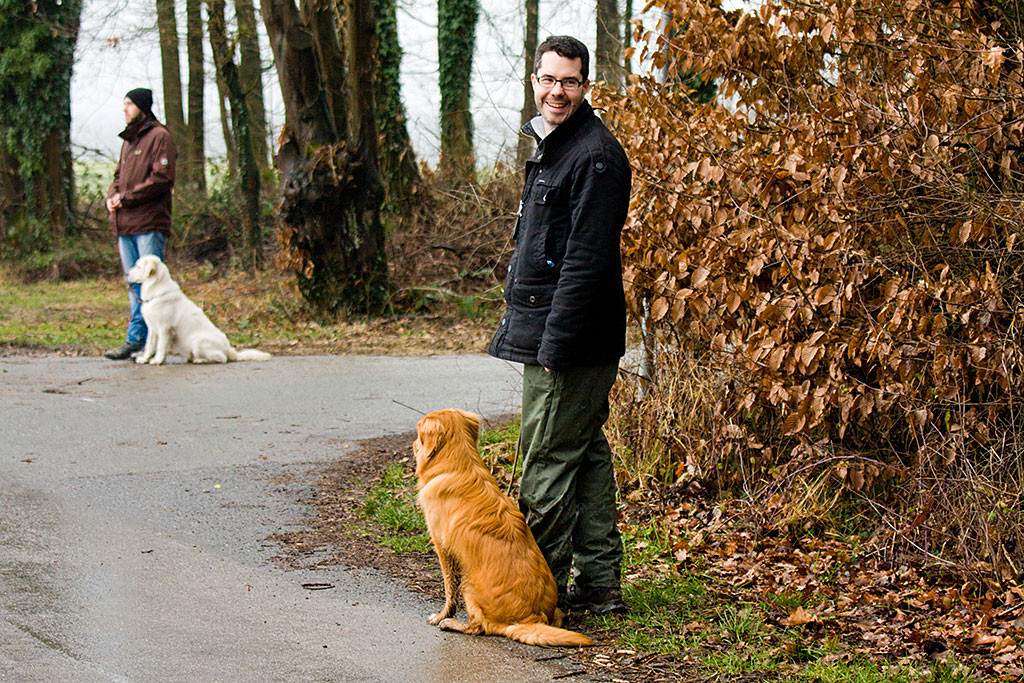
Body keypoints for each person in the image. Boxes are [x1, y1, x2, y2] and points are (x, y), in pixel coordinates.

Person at [488, 35, 631, 615]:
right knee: (584, 452)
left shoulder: (595, 155)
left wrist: (555, 344)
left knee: (545, 459)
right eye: (549, 79)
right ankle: (599, 587)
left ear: (585, 86)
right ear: (534, 80)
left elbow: (586, 262)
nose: (557, 91)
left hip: (568, 339)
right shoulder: (555, 145)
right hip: (558, 333)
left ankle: (530, 594)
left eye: (570, 82)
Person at [103, 88, 178, 360]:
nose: (125, 109)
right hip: (125, 225)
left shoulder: (160, 137)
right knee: (133, 284)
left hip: (149, 223)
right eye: (124, 104)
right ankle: (136, 340)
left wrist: (126, 197)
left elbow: (162, 179)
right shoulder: (128, 141)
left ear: (142, 107)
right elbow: (118, 176)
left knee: (152, 285)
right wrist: (112, 196)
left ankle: (151, 343)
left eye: (129, 104)